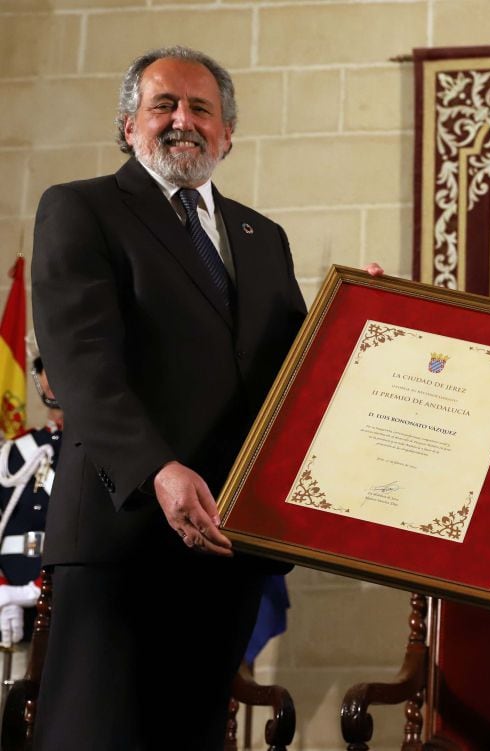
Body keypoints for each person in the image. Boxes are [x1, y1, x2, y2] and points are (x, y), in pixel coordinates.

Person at [30, 46, 380, 749]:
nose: (182, 120)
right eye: (163, 105)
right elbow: (82, 367)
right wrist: (158, 469)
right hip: (122, 535)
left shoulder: (262, 237)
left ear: (227, 135)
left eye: (201, 109)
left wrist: (365, 326)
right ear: (128, 125)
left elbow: (293, 374)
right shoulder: (82, 209)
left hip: (228, 544)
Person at [0, 333, 62, 679]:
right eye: (44, 366)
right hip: (7, 603)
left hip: (62, 604)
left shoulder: (91, 453)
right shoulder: (18, 452)